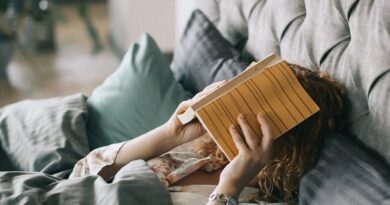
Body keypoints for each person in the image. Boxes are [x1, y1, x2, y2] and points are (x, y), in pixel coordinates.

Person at [69, 64, 349, 204]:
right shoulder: (200, 154)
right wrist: (169, 134)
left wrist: (230, 186)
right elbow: (84, 172)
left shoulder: (256, 199)